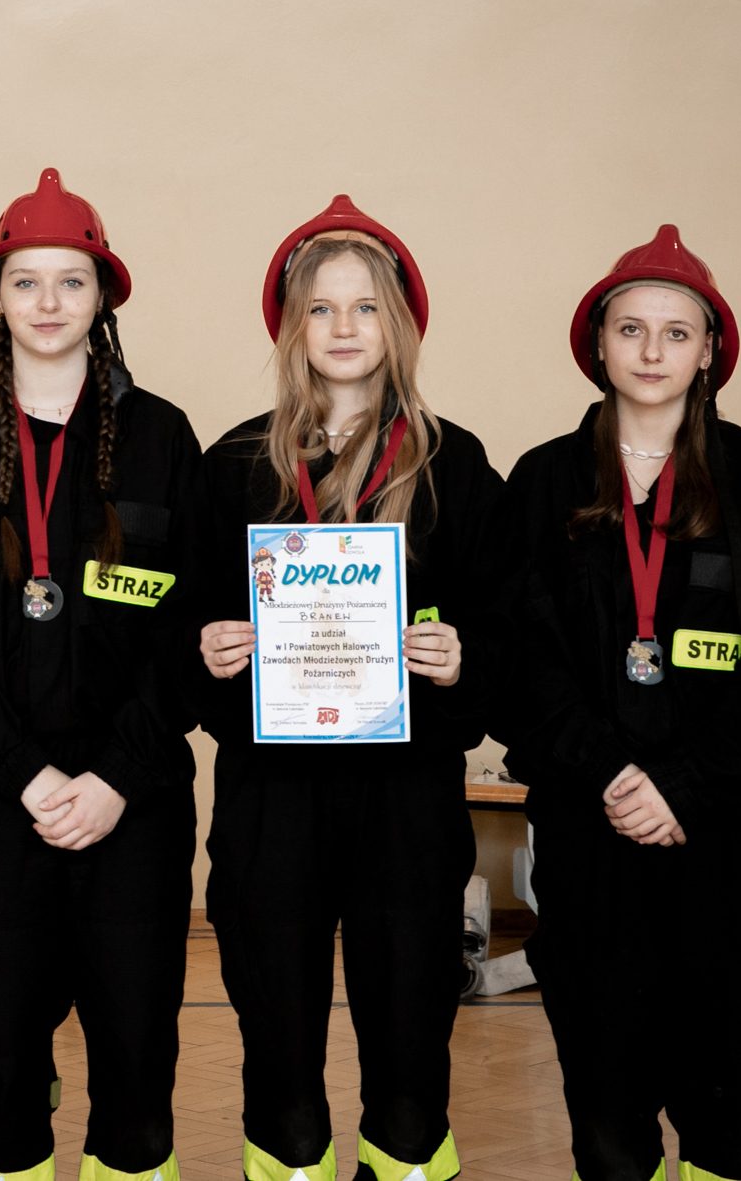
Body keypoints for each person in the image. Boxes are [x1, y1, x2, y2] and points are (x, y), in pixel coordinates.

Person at [494, 226, 741, 1181]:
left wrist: (682, 785)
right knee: (608, 1129)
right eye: (631, 329)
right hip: (591, 849)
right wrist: (612, 774)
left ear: (709, 350)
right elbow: (519, 667)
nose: (652, 351)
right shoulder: (542, 481)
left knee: (734, 1127)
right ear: (597, 343)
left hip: (737, 858)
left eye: (677, 332)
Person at [0, 169, 203, 1181]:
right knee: (1, 1068)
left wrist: (114, 777)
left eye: (72, 281)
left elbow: (190, 636)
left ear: (103, 295)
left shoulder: (162, 438)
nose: (48, 303)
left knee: (136, 1062)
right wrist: (24, 776)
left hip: (132, 804)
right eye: (25, 282)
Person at [190, 196, 502, 1181]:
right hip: (271, 796)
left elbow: (507, 629)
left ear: (398, 322)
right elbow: (178, 629)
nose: (342, 328)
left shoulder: (455, 465)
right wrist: (211, 651)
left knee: (409, 1034)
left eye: (365, 307)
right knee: (277, 1037)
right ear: (290, 326)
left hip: (405, 797)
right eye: (320, 309)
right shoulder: (234, 464)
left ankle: (406, 1161)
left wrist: (462, 659)